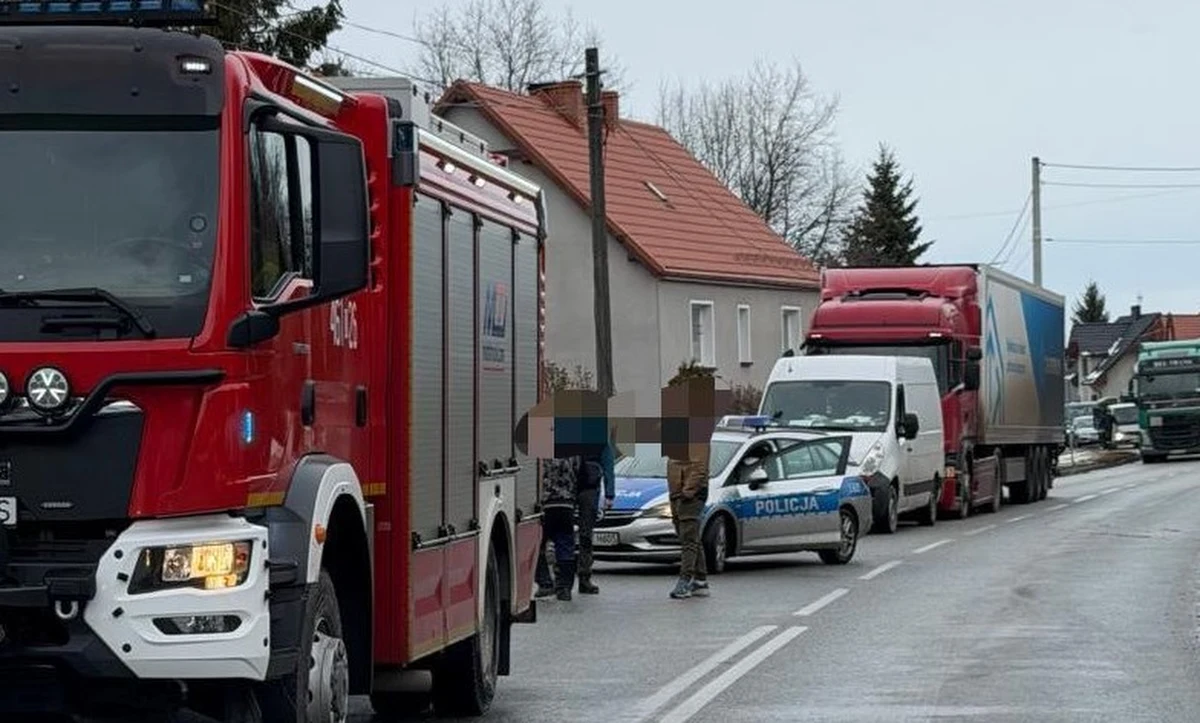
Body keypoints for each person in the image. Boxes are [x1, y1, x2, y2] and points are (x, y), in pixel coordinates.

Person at [539, 453, 582, 601]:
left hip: (545, 504)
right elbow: (579, 473)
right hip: (566, 504)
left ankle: (545, 582)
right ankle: (564, 588)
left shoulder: (539, 451)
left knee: (538, 545)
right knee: (565, 546)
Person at [575, 437, 616, 595]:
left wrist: (610, 493)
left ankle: (569, 580)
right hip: (586, 489)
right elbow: (608, 466)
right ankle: (582, 578)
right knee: (584, 536)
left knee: (577, 535)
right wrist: (609, 495)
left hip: (575, 489)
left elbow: (608, 465)